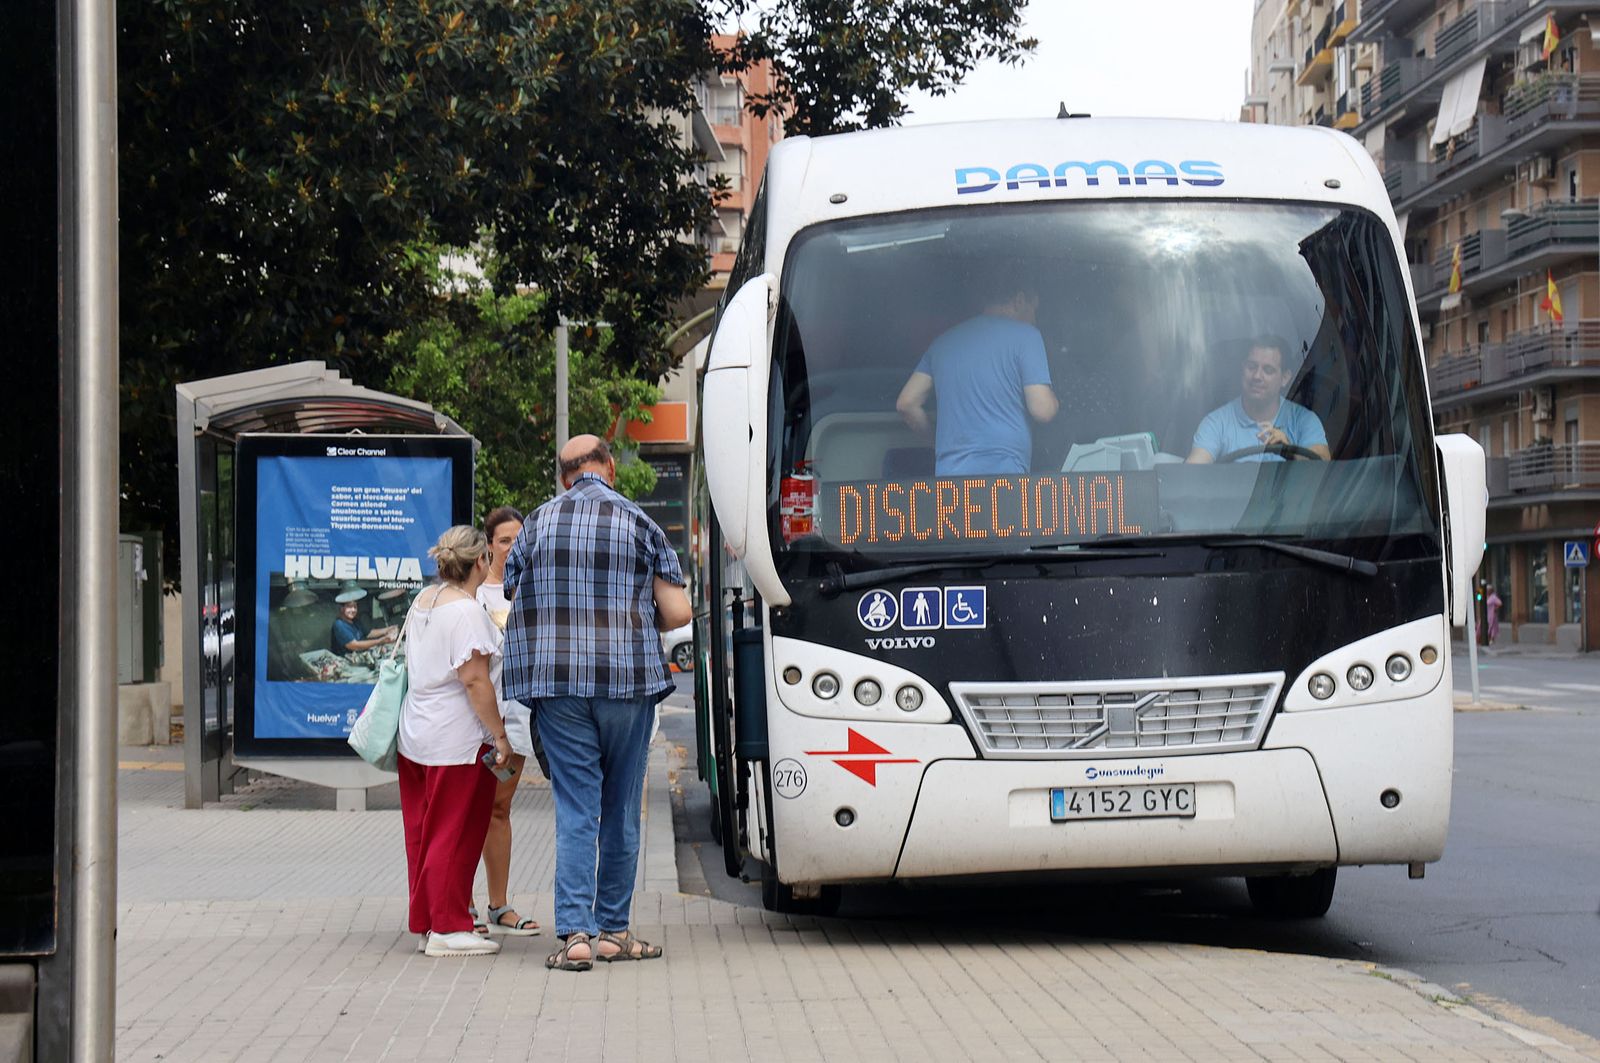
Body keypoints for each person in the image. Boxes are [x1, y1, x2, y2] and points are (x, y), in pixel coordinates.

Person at [501, 435, 692, 972]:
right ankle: (614, 931)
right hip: (627, 682)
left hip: (557, 685)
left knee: (577, 807)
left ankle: (575, 937)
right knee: (622, 808)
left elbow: (514, 592)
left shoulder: (536, 523)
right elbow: (677, 613)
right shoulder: (641, 523)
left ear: (564, 476)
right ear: (609, 468)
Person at [397, 525, 514, 958]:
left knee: (423, 832)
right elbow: (474, 680)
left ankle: (429, 920)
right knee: (455, 831)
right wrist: (499, 735)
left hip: (415, 736)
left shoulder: (423, 602)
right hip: (457, 741)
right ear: (480, 561)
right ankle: (448, 926)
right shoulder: (466, 612)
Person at [895, 273, 1059, 475]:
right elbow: (1042, 410)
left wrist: (938, 444)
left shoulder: (944, 343)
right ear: (1019, 300)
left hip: (950, 480)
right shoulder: (1027, 336)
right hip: (1004, 479)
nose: (1035, 319)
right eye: (1035, 310)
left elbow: (906, 403)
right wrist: (1055, 400)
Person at [469, 505, 543, 938]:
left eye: (520, 539)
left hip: (514, 723)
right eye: (504, 540)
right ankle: (462, 904)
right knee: (466, 811)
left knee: (498, 808)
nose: (513, 547)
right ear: (489, 545)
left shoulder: (535, 590)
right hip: (473, 723)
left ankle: (499, 905)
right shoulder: (473, 594)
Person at [1187, 336, 1330, 463]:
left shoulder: (1304, 420)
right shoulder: (1216, 423)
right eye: (1252, 367)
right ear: (1242, 368)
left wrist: (1289, 451)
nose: (1257, 376)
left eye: (1268, 370)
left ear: (1285, 378)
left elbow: (1322, 465)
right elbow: (1194, 472)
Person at [329, 598, 397, 657]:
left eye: (355, 607)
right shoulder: (339, 625)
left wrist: (388, 629)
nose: (353, 610)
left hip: (360, 655)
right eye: (349, 607)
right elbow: (355, 646)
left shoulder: (355, 621)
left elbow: (369, 633)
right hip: (345, 661)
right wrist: (380, 641)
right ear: (342, 608)